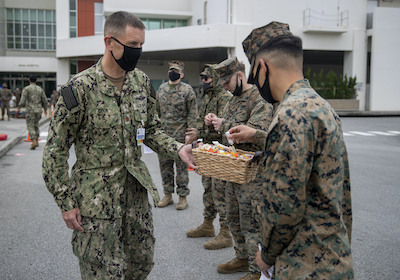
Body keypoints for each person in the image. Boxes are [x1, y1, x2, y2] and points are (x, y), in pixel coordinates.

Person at [42, 11, 196, 280]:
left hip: (136, 202)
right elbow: (54, 152)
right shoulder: (79, 89)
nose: (137, 51)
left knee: (141, 265)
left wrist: (177, 149)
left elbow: (151, 131)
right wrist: (65, 203)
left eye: (141, 45)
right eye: (132, 45)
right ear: (109, 42)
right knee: (103, 274)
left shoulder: (142, 82)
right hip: (96, 206)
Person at [228, 21, 354, 279]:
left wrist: (267, 255)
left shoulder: (290, 115)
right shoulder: (322, 107)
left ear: (262, 68)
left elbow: (284, 204)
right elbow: (343, 193)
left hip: (303, 263)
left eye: (254, 76)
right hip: (333, 256)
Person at [207, 57, 274, 280]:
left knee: (250, 223)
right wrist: (215, 120)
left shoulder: (259, 98)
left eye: (227, 82)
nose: (225, 87)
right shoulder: (232, 100)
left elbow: (255, 132)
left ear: (240, 75)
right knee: (233, 218)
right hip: (233, 171)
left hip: (252, 175)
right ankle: (242, 258)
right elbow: (228, 130)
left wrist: (223, 125)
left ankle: (256, 271)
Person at [185, 64, 233, 250]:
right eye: (202, 78)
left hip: (220, 151)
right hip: (207, 149)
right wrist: (197, 131)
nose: (203, 81)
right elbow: (199, 119)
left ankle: (225, 233)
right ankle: (207, 224)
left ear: (215, 79)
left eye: (207, 78)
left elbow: (226, 129)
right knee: (208, 188)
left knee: (220, 192)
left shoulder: (225, 98)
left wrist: (209, 127)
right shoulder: (206, 96)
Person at [155, 60, 198, 210]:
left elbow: (193, 113)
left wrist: (191, 134)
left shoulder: (187, 90)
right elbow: (156, 112)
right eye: (171, 70)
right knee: (165, 167)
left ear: (182, 74)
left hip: (181, 136)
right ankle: (168, 195)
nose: (173, 73)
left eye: (176, 71)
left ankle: (182, 197)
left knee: (181, 168)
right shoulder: (161, 89)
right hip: (164, 136)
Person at [16, 76, 48, 149]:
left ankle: (34, 140)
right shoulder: (40, 89)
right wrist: (45, 109)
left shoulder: (27, 89)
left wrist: (18, 108)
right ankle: (36, 139)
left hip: (30, 110)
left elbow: (23, 100)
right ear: (36, 80)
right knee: (36, 125)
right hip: (39, 110)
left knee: (30, 125)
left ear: (29, 80)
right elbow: (45, 100)